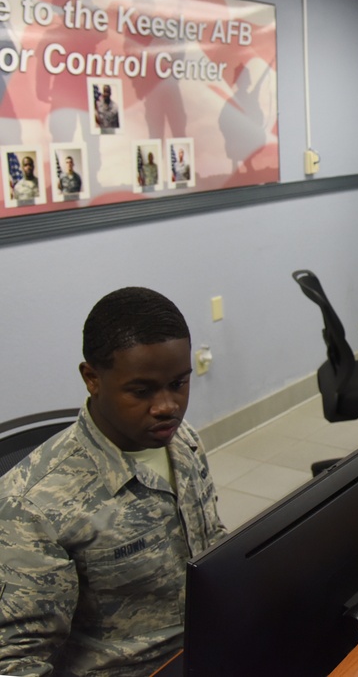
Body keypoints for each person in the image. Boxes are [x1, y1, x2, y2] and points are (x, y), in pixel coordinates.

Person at [0, 287, 227, 676]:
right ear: (92, 378)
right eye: (141, 391)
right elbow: (15, 661)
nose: (167, 407)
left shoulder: (183, 441)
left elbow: (212, 544)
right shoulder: (33, 505)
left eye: (178, 384)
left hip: (208, 649)